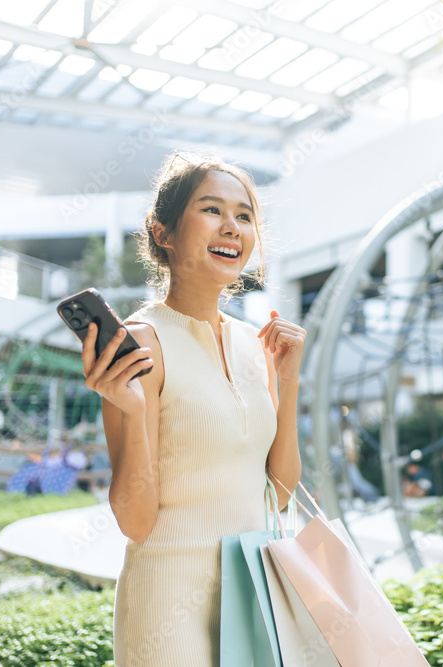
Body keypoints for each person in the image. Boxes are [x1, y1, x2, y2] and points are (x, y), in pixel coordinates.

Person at [80, 152, 305, 666]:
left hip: (251, 595)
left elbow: (281, 492)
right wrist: (132, 413)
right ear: (163, 233)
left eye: (244, 215)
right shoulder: (143, 342)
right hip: (167, 604)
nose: (232, 227)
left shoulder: (257, 346)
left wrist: (289, 383)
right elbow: (135, 522)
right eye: (211, 210)